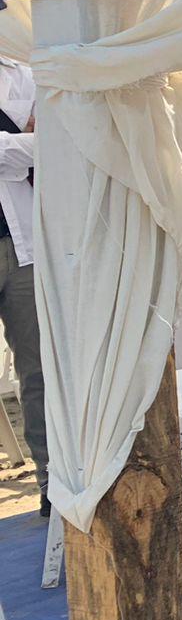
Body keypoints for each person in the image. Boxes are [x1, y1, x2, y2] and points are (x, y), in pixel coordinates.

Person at [0, 58, 47, 518]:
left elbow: (59, 134)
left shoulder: (22, 69)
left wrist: (30, 141)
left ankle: (52, 483)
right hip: (19, 241)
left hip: (21, 246)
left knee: (39, 371)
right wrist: (26, 139)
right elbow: (35, 145)